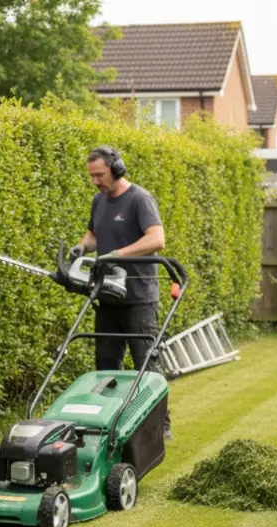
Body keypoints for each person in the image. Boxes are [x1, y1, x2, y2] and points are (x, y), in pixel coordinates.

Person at [71, 145, 169, 437]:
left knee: (146, 364)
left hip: (138, 297)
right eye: (92, 176)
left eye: (100, 175)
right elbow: (93, 233)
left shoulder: (140, 199)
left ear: (116, 169)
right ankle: (107, 424)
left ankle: (159, 427)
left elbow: (157, 239)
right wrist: (83, 245)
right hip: (108, 296)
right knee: (105, 365)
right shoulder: (98, 201)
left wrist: (117, 254)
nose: (95, 181)